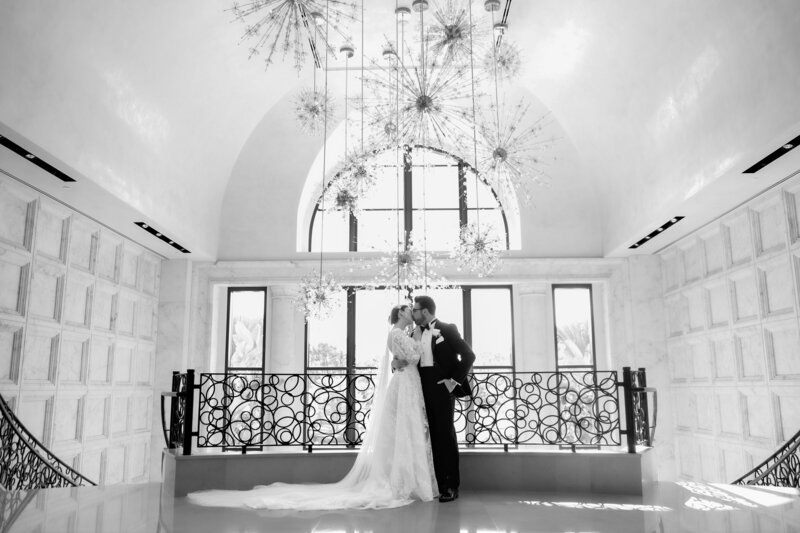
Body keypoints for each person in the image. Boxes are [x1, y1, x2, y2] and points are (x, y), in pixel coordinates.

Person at [186, 304, 437, 510]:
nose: (410, 311)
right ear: (400, 314)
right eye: (407, 309)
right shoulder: (396, 333)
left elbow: (405, 357)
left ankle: (409, 479)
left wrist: (408, 349)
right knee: (405, 430)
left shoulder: (401, 334)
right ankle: (405, 482)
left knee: (406, 430)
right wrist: (416, 346)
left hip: (407, 382)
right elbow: (414, 358)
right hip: (405, 383)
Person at [395, 295, 475, 503]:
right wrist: (397, 362)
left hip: (442, 389)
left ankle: (450, 485)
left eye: (415, 310)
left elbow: (468, 356)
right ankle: (432, 484)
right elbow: (409, 357)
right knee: (425, 438)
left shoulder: (447, 329)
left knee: (444, 436)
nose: (413, 313)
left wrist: (453, 381)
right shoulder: (413, 332)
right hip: (419, 389)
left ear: (426, 311)